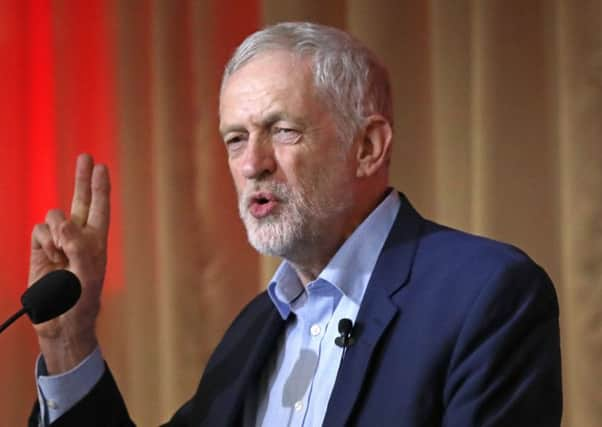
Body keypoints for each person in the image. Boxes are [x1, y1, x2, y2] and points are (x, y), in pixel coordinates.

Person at [28, 22, 562, 426]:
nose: (250, 163)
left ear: (368, 147)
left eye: (281, 130)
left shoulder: (485, 295)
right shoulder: (253, 332)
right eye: (235, 139)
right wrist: (68, 340)